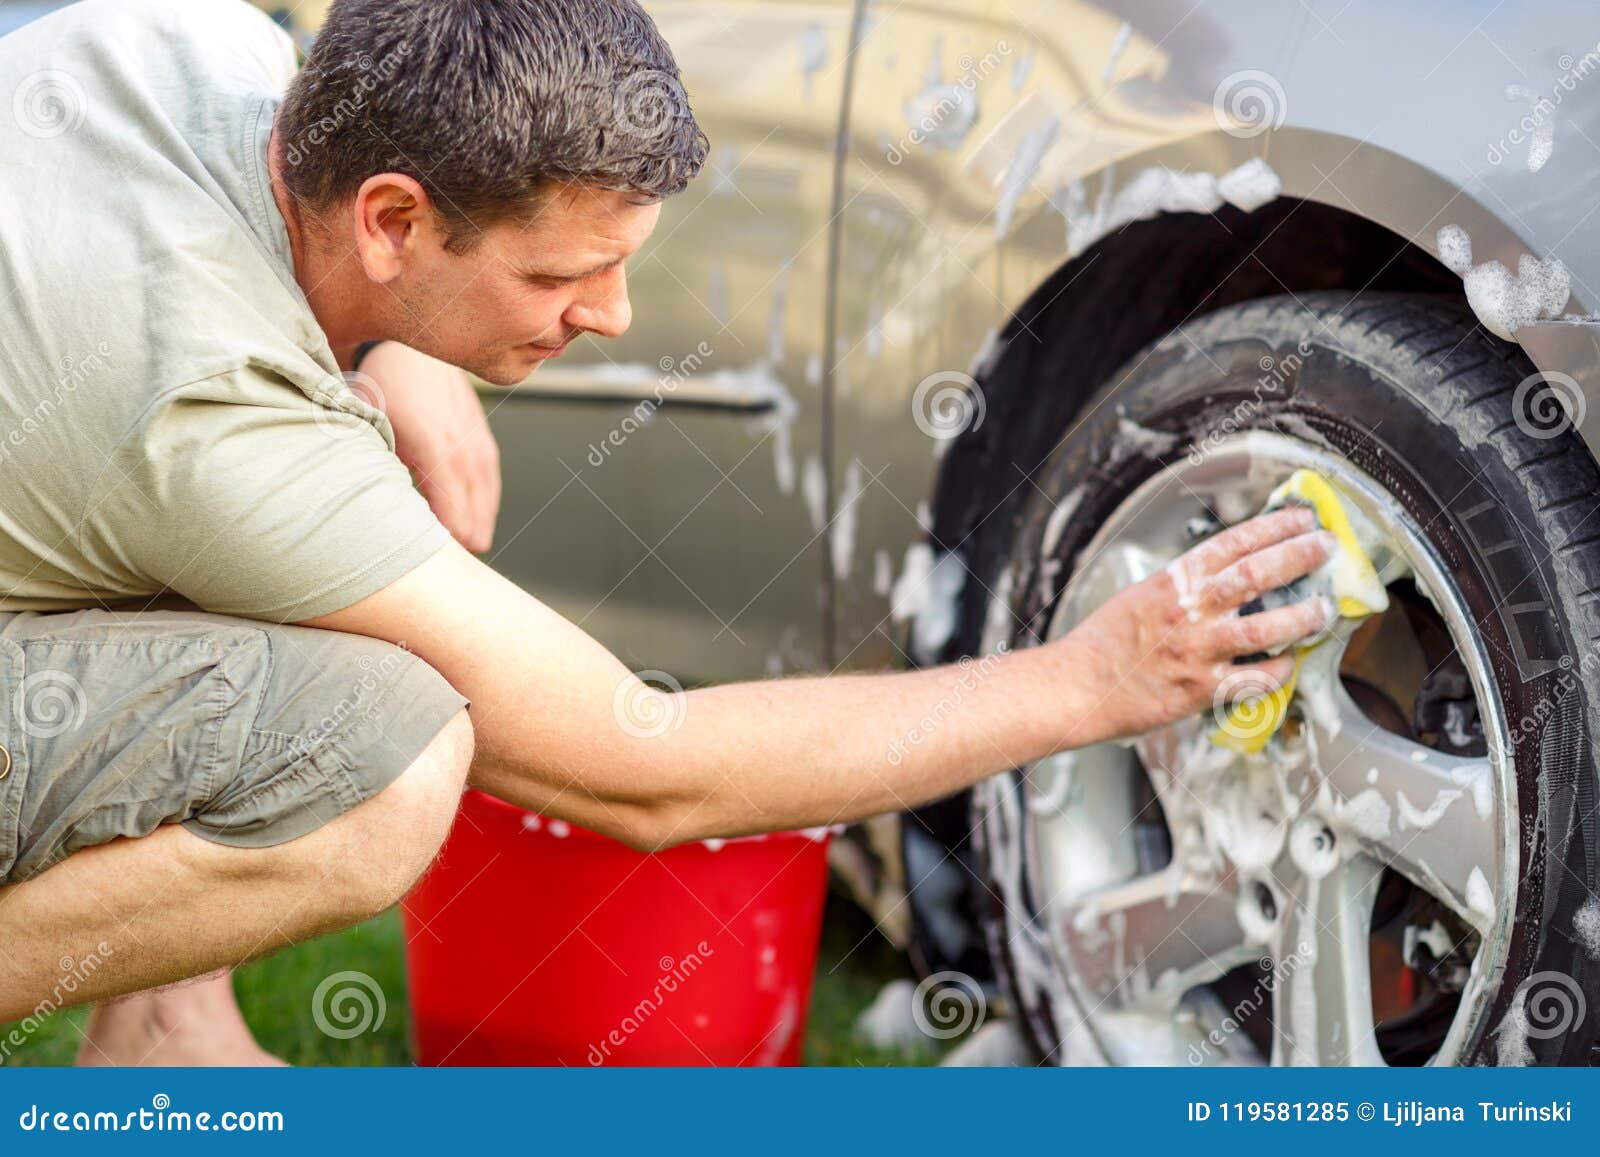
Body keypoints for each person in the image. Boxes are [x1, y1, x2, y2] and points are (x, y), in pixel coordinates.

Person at [0, 0, 1333, 1064]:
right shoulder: (215, 419)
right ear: (393, 219)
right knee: (388, 763)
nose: (616, 317)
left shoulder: (183, 38)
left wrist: (390, 347)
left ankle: (160, 1033)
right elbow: (651, 770)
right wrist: (1089, 678)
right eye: (564, 274)